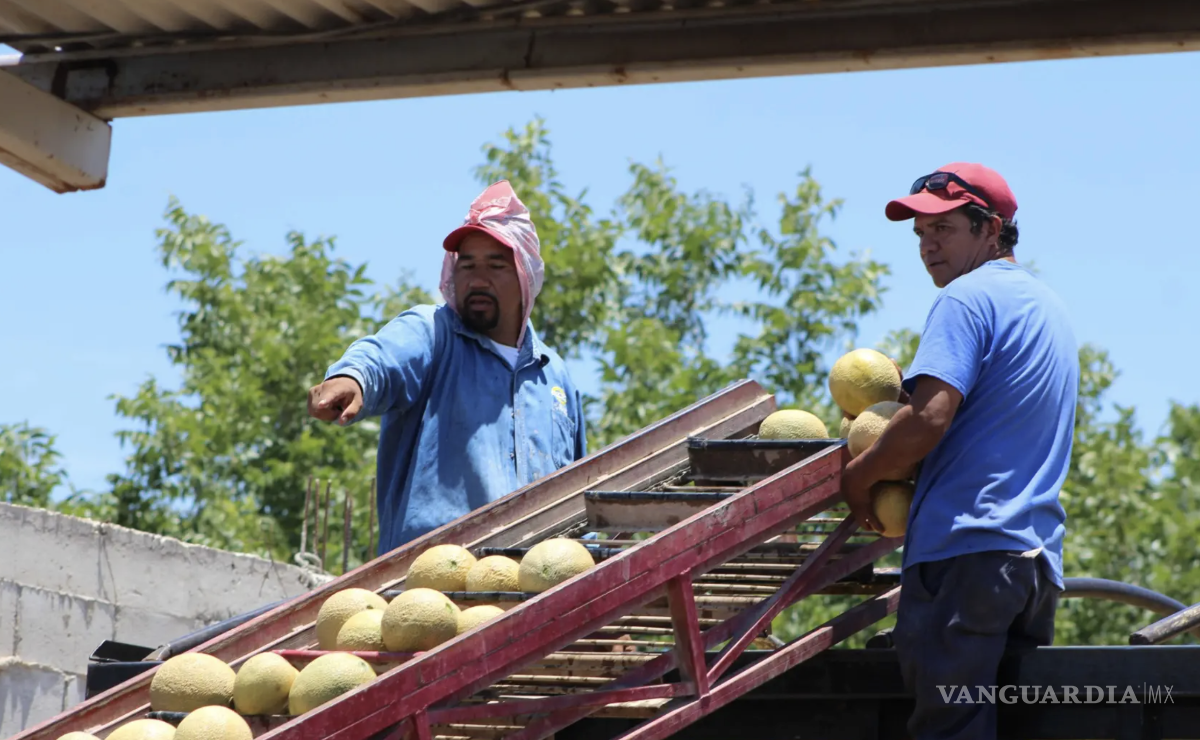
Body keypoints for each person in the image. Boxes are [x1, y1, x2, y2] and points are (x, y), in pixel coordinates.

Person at [840, 163, 1079, 740]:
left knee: (951, 728)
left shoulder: (966, 300)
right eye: (920, 234)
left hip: (965, 557)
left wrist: (861, 475)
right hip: (1032, 566)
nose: (927, 246)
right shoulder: (1048, 310)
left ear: (991, 229)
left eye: (942, 229)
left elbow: (929, 419)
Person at [306, 180, 588, 554]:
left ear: (526, 276)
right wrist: (352, 379)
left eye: (495, 264)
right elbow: (378, 359)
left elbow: (579, 497)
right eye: (466, 264)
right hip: (430, 594)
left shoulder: (555, 378)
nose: (477, 278)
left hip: (535, 596)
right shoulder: (433, 334)